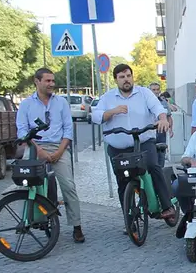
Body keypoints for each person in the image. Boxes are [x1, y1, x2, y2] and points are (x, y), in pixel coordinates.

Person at [93, 63, 176, 221]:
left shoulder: (144, 93)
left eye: (128, 76)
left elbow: (158, 108)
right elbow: (95, 116)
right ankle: (129, 219)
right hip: (119, 147)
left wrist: (163, 119)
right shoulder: (108, 97)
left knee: (153, 166)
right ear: (116, 80)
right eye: (122, 77)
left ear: (132, 77)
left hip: (144, 142)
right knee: (122, 181)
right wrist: (112, 112)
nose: (126, 80)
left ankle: (167, 206)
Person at [15, 67, 85, 243]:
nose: (51, 84)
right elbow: (22, 131)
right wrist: (40, 151)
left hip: (58, 147)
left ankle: (76, 226)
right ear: (37, 81)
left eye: (53, 81)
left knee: (68, 185)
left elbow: (68, 130)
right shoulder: (26, 104)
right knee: (27, 183)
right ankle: (31, 218)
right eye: (47, 81)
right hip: (35, 147)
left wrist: (60, 151)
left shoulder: (61, 103)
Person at [149, 82, 175, 167]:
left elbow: (169, 117)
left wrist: (171, 129)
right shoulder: (145, 102)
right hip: (149, 132)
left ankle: (161, 170)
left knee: (161, 154)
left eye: (157, 89)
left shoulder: (163, 102)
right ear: (150, 91)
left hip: (161, 132)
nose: (156, 91)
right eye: (153, 90)